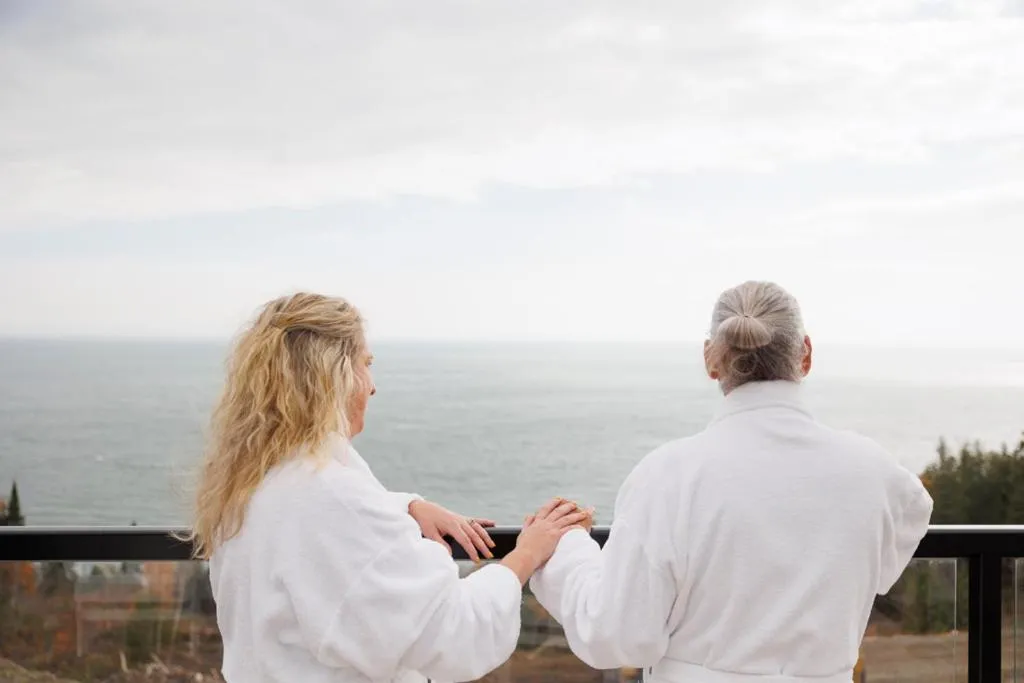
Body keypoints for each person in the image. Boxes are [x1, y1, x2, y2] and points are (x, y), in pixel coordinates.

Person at [529, 281, 934, 683]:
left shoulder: (669, 476)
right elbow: (910, 517)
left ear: (711, 359)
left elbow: (617, 637)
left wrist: (566, 550)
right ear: (805, 354)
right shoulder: (876, 473)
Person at [189, 292, 590, 683]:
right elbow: (455, 636)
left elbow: (324, 536)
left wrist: (408, 506)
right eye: (366, 364)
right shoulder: (330, 496)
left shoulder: (252, 483)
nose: (372, 386)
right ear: (334, 378)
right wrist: (528, 553)